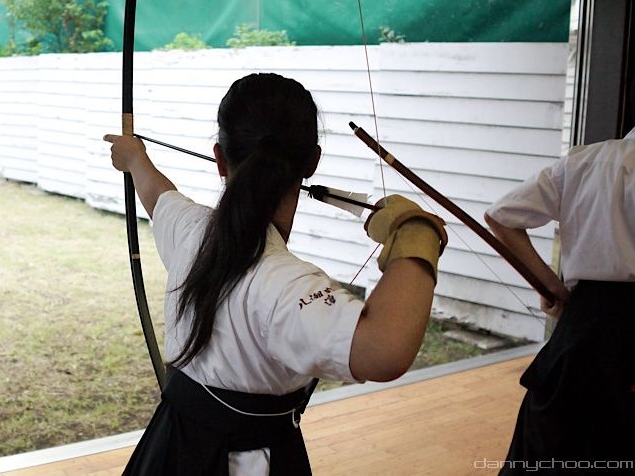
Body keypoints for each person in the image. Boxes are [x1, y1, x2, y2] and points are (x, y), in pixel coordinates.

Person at [103, 73, 448, 475]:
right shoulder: (282, 283)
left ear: (219, 157)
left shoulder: (191, 231)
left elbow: (156, 192)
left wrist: (133, 157)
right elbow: (385, 350)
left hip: (169, 452)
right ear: (313, 161)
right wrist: (416, 232)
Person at [484, 125, 635, 473]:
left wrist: (551, 286)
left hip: (582, 327)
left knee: (551, 449)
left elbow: (500, 216)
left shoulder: (587, 161)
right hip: (613, 332)